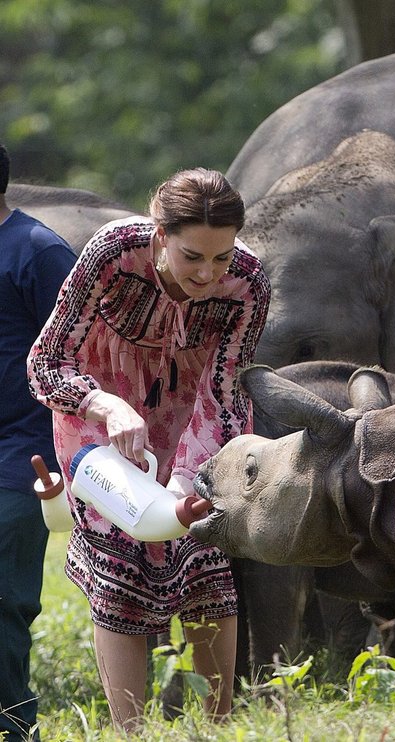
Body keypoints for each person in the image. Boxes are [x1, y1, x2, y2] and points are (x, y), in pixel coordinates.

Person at [27, 168, 270, 731]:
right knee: (119, 568)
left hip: (195, 423)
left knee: (205, 559)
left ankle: (219, 726)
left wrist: (190, 477)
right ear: (160, 236)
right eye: (192, 257)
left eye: (221, 257)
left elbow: (223, 387)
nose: (208, 274)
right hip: (99, 421)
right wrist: (105, 406)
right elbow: (47, 362)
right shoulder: (113, 254)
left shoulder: (249, 284)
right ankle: (129, 730)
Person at [0, 144, 77, 741]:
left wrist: (64, 459)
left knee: (4, 598)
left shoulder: (39, 252)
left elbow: (77, 359)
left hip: (20, 456)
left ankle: (14, 726)